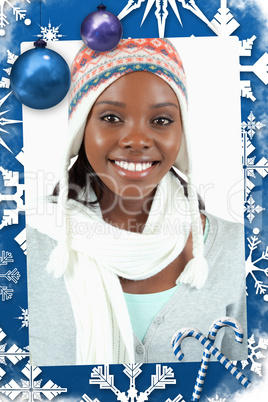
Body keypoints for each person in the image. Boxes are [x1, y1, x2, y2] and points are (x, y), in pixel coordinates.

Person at [26, 38, 247, 366]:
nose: (138, 141)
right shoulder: (26, 243)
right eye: (112, 117)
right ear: (80, 128)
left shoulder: (236, 249)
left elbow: (249, 384)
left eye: (161, 121)